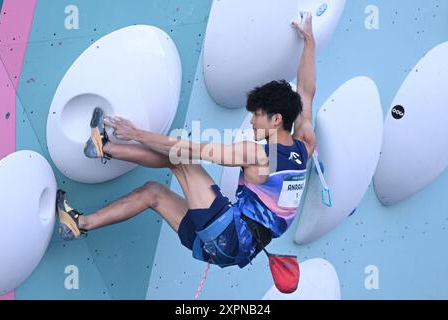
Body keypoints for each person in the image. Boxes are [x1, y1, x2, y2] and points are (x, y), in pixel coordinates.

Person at [57, 12, 316, 268]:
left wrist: (134, 133)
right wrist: (309, 42)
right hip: (229, 250)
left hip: (230, 236)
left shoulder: (259, 154)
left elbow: (190, 150)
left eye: (257, 115)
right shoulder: (304, 145)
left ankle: (108, 147)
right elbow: (305, 90)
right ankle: (78, 223)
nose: (251, 122)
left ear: (276, 119)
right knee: (153, 193)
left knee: (182, 160)